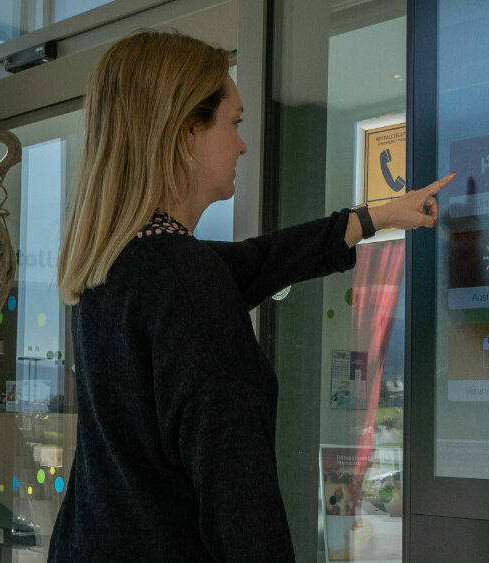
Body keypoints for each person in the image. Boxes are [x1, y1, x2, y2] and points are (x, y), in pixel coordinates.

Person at [48, 29, 453, 562]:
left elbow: (262, 259)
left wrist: (374, 217)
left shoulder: (117, 267)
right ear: (186, 130)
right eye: (233, 122)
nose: (242, 144)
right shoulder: (184, 279)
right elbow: (239, 502)